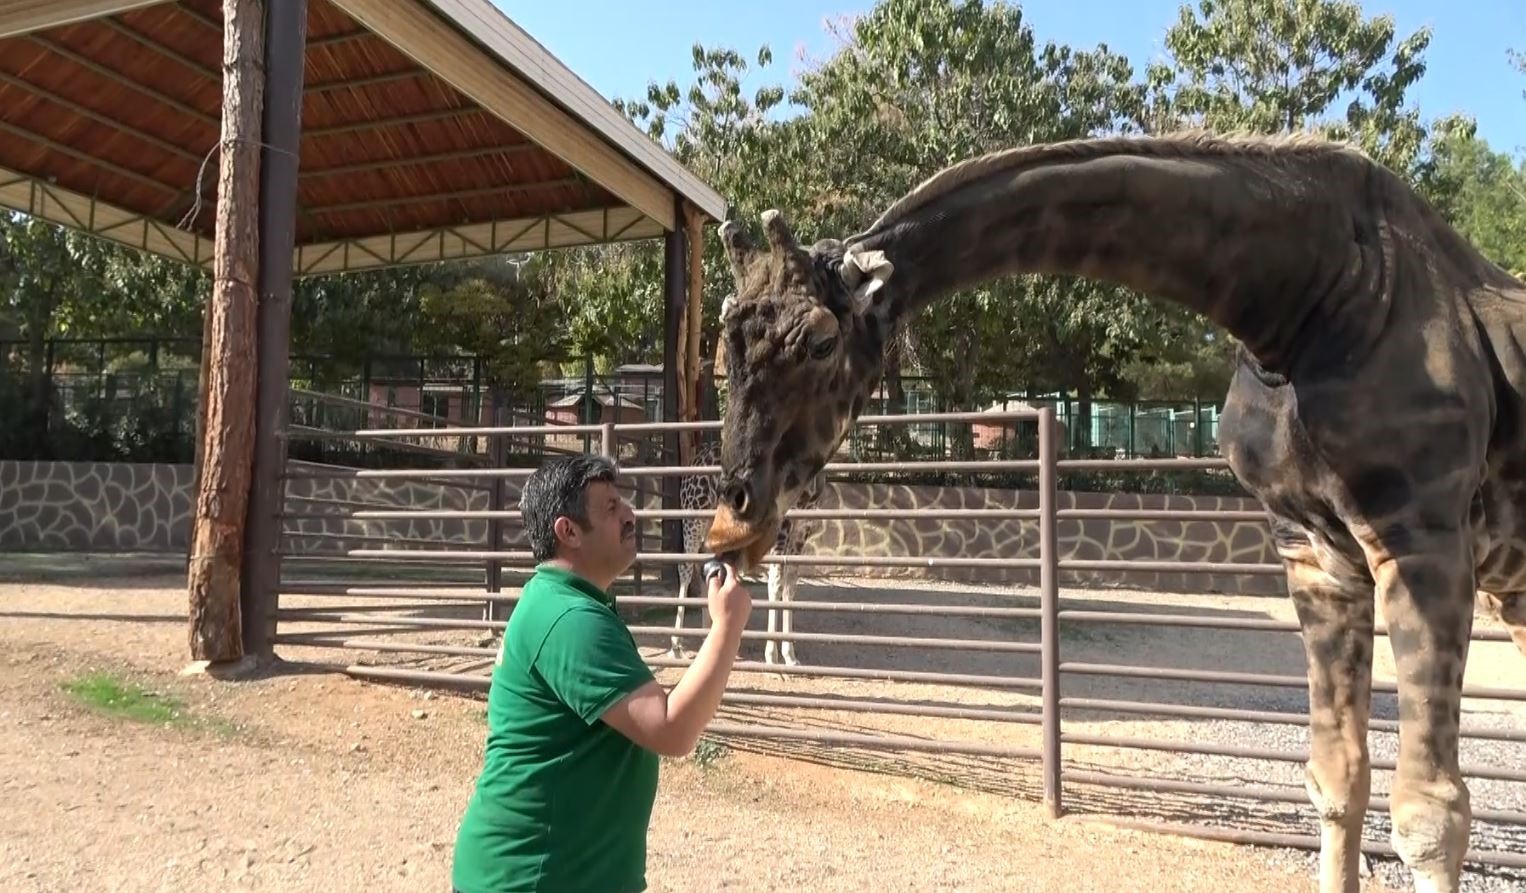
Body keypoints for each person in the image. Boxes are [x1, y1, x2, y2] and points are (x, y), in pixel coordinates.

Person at [451, 453, 753, 893]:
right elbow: (670, 730)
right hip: (531, 881)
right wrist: (726, 628)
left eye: (624, 503)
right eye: (611, 508)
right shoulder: (569, 618)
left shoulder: (566, 603)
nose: (631, 515)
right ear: (567, 531)